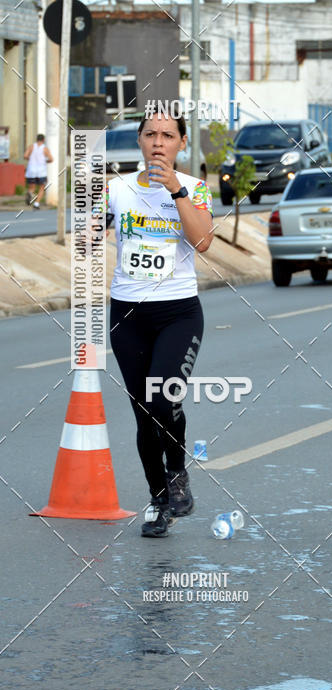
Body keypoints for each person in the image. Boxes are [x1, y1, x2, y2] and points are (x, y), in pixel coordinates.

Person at [103, 105, 214, 537]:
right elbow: (89, 236)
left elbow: (203, 241)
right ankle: (158, 499)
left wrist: (176, 192)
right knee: (142, 412)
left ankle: (178, 471)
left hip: (178, 312)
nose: (158, 143)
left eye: (168, 136)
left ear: (182, 144)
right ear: (140, 141)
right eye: (151, 134)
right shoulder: (117, 188)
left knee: (163, 399)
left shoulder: (195, 188)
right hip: (127, 313)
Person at [24, 134, 53, 208]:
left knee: (32, 187)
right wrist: (45, 161)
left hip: (31, 171)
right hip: (41, 172)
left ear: (36, 139)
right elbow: (51, 159)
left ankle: (30, 193)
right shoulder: (45, 148)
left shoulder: (31, 147)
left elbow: (25, 156)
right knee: (41, 188)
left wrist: (31, 160)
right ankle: (36, 204)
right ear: (43, 140)